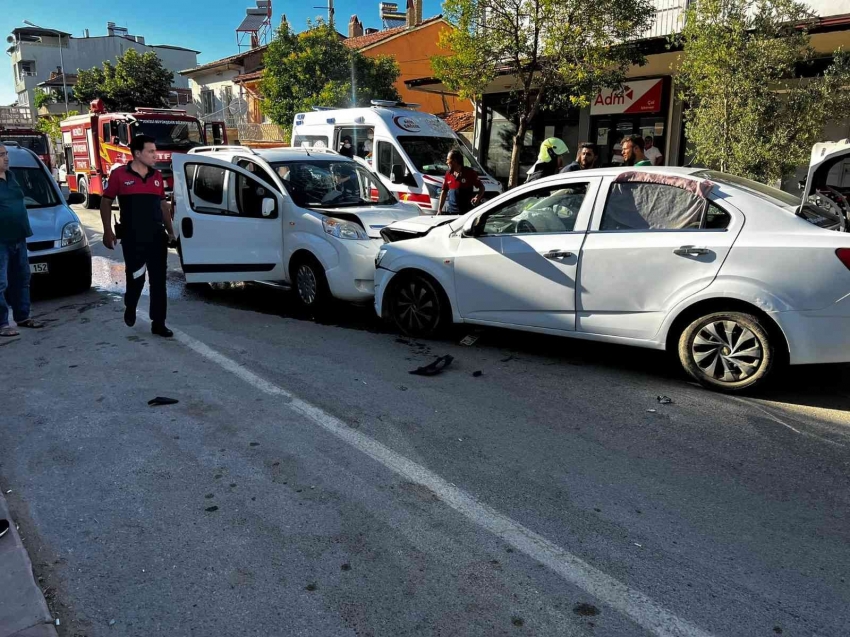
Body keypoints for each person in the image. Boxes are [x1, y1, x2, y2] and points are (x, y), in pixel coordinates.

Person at [100, 134, 176, 338]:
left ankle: (158, 323)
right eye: (150, 151)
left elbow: (163, 206)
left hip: (156, 237)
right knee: (136, 278)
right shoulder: (119, 175)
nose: (155, 155)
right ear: (137, 153)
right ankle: (131, 304)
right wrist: (107, 231)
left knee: (158, 281)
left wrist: (170, 231)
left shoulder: (157, 177)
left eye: (155, 150)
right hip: (133, 238)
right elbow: (106, 202)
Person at [0, 145, 44, 337]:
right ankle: (2, 323)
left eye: (6, 154)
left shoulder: (11, 177)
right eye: (1, 155)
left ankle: (23, 316)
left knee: (22, 278)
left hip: (19, 237)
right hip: (1, 240)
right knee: (1, 283)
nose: (6, 158)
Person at [437, 149, 484, 215]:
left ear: (455, 161)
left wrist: (477, 197)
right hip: (451, 213)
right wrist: (439, 210)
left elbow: (482, 187)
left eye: (448, 159)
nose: (446, 162)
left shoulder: (469, 172)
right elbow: (444, 192)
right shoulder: (448, 174)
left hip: (466, 213)